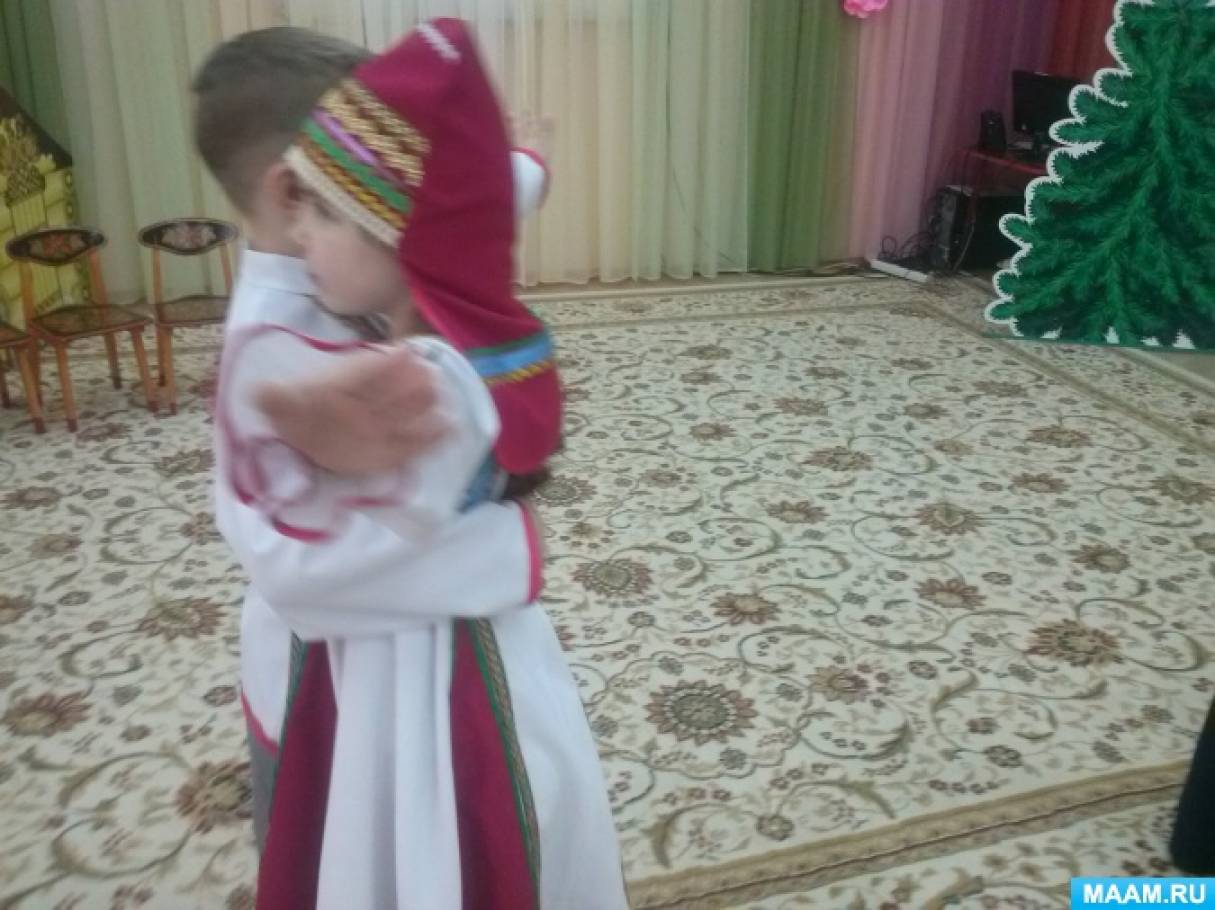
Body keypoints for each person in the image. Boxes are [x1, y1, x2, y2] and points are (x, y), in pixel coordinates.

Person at [199, 21, 626, 910]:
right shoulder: (277, 347)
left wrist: (526, 168)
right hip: (354, 672)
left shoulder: (351, 246)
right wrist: (502, 547)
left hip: (405, 666)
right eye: (319, 203)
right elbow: (292, 564)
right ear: (291, 190)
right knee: (345, 834)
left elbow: (449, 198)